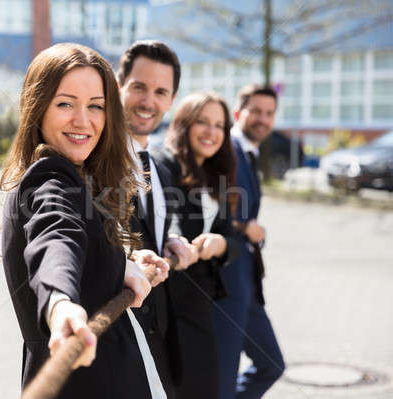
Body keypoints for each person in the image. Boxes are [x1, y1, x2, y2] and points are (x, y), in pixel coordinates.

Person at [0, 43, 170, 399]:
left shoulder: (78, 178)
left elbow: (84, 247)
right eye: (65, 103)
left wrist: (122, 263)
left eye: (96, 106)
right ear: (37, 107)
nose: (83, 120)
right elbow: (55, 237)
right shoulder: (48, 179)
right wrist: (61, 304)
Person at [117, 40, 199, 398]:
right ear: (120, 86)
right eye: (139, 87)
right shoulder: (94, 158)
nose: (148, 101)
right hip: (117, 329)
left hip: (161, 324)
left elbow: (162, 220)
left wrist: (174, 239)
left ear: (171, 99)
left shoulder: (161, 163)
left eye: (160, 91)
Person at [155, 92, 241, 399]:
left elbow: (232, 238)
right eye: (202, 122)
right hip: (167, 298)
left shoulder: (217, 174)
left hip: (199, 298)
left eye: (219, 125)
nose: (211, 131)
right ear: (184, 124)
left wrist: (218, 244)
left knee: (203, 386)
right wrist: (179, 242)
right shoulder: (164, 164)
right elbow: (171, 218)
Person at [212, 84, 285, 399]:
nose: (263, 119)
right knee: (223, 381)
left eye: (269, 114)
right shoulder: (225, 150)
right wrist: (248, 227)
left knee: (271, 363)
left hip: (247, 286)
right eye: (256, 111)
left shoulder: (247, 153)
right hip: (226, 286)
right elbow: (215, 210)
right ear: (239, 113)